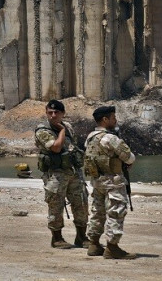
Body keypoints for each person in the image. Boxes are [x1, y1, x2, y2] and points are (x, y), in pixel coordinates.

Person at [83, 105, 137, 259]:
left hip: (97, 181)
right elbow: (129, 157)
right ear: (105, 120)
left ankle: (93, 244)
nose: (115, 120)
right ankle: (112, 248)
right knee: (116, 212)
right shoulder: (110, 138)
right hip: (113, 181)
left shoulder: (90, 138)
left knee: (97, 212)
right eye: (113, 118)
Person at [34, 99, 89, 249]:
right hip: (55, 174)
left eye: (56, 112)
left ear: (63, 113)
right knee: (56, 205)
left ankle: (82, 237)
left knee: (81, 203)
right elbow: (56, 148)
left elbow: (72, 147)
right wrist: (62, 131)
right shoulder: (42, 130)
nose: (53, 115)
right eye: (50, 112)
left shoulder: (68, 127)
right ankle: (57, 238)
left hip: (72, 171)